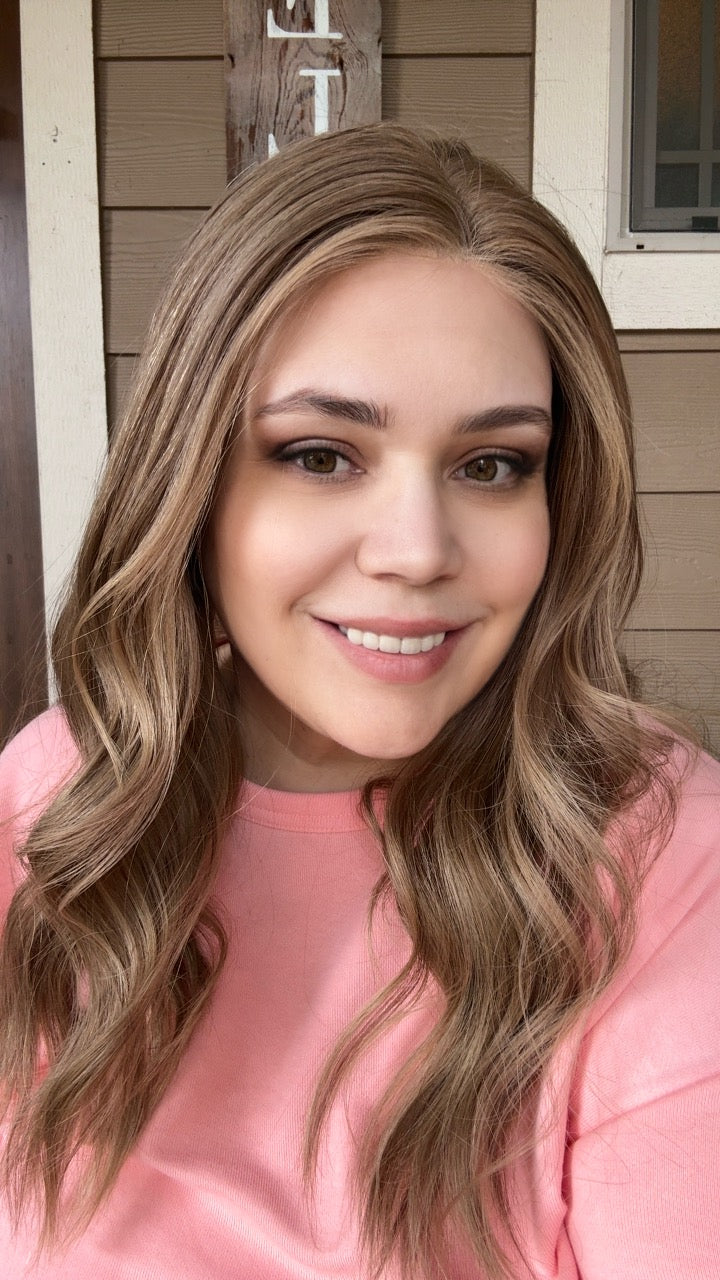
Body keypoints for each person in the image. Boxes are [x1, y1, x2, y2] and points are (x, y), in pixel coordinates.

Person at [0, 123, 718, 1280]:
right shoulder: (51, 805)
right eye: (322, 454)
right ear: (195, 482)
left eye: (492, 464)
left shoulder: (662, 848)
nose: (418, 550)